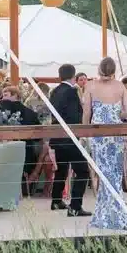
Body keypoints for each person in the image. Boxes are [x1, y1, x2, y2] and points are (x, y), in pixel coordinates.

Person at [83, 57, 127, 229]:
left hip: (98, 134)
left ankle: (104, 213)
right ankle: (117, 210)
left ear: (98, 69)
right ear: (114, 70)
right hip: (115, 132)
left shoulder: (90, 86)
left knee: (102, 174)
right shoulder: (120, 86)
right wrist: (114, 116)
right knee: (115, 174)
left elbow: (86, 113)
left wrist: (84, 132)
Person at [49, 64, 91, 215]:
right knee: (82, 171)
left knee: (62, 170)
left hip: (57, 136)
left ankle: (56, 200)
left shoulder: (55, 91)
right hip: (70, 138)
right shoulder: (72, 92)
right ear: (73, 77)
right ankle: (75, 207)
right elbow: (74, 116)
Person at [0, 85, 41, 195]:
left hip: (8, 151)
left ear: (16, 96)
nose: (3, 98)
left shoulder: (4, 109)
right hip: (28, 151)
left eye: (5, 95)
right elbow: (38, 136)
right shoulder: (31, 112)